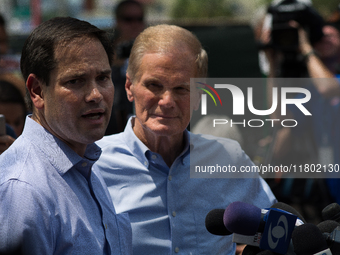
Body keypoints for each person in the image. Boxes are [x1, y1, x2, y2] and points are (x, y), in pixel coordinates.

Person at [94, 24, 276, 254]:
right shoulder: (94, 165)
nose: (167, 100)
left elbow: (274, 230)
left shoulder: (227, 157)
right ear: (129, 87)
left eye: (181, 88)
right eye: (154, 85)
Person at [0, 17, 132, 254]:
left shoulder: (85, 161)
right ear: (37, 90)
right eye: (76, 81)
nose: (95, 95)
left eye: (103, 78)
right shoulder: (24, 191)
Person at [106, 0, 146, 134]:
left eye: (139, 19)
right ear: (118, 21)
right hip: (113, 117)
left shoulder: (151, 50)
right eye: (128, 19)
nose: (134, 24)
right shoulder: (105, 49)